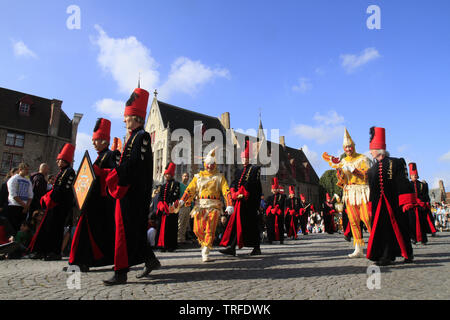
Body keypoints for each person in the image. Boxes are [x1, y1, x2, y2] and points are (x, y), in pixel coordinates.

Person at [103, 86, 160, 285]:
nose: (124, 120)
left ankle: (121, 273)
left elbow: (135, 164)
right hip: (130, 191)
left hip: (135, 193)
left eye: (126, 118)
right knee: (133, 231)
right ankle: (150, 260)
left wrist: (115, 174)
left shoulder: (142, 137)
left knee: (126, 232)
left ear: (135, 118)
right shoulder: (132, 138)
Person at [68, 118, 119, 272]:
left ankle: (84, 260)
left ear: (104, 140)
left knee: (94, 231)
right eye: (93, 140)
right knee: (86, 229)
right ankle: (81, 259)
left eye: (96, 140)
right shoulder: (98, 157)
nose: (93, 143)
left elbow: (116, 174)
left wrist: (101, 173)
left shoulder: (111, 155)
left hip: (103, 201)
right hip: (92, 200)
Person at [366, 127, 415, 266]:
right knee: (383, 231)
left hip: (394, 203)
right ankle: (386, 255)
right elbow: (371, 190)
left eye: (372, 149)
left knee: (402, 228)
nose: (370, 152)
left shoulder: (396, 162)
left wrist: (406, 201)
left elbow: (403, 182)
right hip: (379, 206)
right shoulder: (371, 170)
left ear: (378, 149)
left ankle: (408, 253)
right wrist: (371, 207)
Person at [322, 128, 372, 258]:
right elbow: (343, 181)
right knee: (353, 220)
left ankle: (377, 243)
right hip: (349, 192)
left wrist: (354, 170)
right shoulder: (343, 161)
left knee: (367, 217)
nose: (348, 149)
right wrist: (340, 174)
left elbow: (368, 176)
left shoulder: (363, 158)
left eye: (350, 146)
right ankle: (358, 248)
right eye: (346, 147)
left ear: (353, 146)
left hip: (362, 191)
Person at [179, 148, 233, 262]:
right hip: (200, 206)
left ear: (215, 164)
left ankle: (206, 251)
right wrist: (182, 200)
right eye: (208, 164)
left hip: (214, 207)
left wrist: (229, 204)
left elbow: (226, 191)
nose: (209, 166)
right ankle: (204, 244)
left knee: (210, 229)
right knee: (197, 229)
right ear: (205, 164)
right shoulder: (198, 176)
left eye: (212, 164)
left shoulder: (220, 177)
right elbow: (190, 190)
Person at [28, 143, 76, 261]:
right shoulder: (62, 172)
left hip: (60, 205)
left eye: (59, 160)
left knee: (56, 228)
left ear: (64, 160)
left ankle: (54, 252)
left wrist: (49, 198)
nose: (57, 162)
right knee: (48, 227)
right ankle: (43, 250)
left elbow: (62, 189)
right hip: (54, 204)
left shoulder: (69, 172)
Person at [219, 140, 263, 256]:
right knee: (234, 224)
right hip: (238, 203)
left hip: (249, 203)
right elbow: (234, 183)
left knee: (251, 226)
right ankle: (232, 247)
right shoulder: (239, 171)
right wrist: (233, 192)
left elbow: (255, 186)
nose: (244, 160)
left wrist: (245, 193)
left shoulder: (255, 169)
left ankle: (256, 248)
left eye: (246, 158)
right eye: (243, 158)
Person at [155, 162, 180, 252]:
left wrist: (170, 205)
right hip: (163, 209)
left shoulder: (176, 184)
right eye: (166, 174)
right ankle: (161, 245)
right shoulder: (163, 186)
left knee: (170, 228)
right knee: (161, 227)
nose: (166, 176)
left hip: (171, 209)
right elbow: (160, 197)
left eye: (168, 174)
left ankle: (170, 246)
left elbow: (175, 196)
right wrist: (161, 204)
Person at [406, 163, 431, 245]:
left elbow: (425, 195)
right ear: (410, 176)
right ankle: (413, 238)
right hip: (412, 207)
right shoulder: (408, 185)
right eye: (413, 175)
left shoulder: (422, 184)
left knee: (422, 223)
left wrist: (422, 202)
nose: (415, 176)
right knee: (412, 224)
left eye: (416, 175)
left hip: (420, 207)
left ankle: (424, 240)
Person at [6, 163, 33, 233]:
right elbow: (13, 195)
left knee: (20, 228)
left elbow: (30, 195)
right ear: (20, 169)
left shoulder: (28, 181)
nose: (27, 171)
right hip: (14, 206)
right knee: (12, 227)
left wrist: (26, 206)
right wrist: (24, 205)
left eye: (28, 170)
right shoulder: (13, 179)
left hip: (24, 208)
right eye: (26, 169)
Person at [265, 178, 286, 244]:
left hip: (278, 214)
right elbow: (267, 205)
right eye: (273, 189)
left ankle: (281, 239)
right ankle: (270, 239)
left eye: (275, 189)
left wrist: (276, 208)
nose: (274, 190)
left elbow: (281, 204)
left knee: (280, 226)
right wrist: (271, 209)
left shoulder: (281, 196)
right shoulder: (269, 197)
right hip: (271, 214)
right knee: (270, 226)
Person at [177, 172, 191, 244]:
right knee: (180, 222)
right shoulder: (179, 185)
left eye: (187, 176)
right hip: (181, 206)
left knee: (185, 223)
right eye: (185, 176)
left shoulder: (189, 186)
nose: (186, 177)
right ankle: (178, 238)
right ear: (182, 177)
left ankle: (182, 238)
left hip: (188, 206)